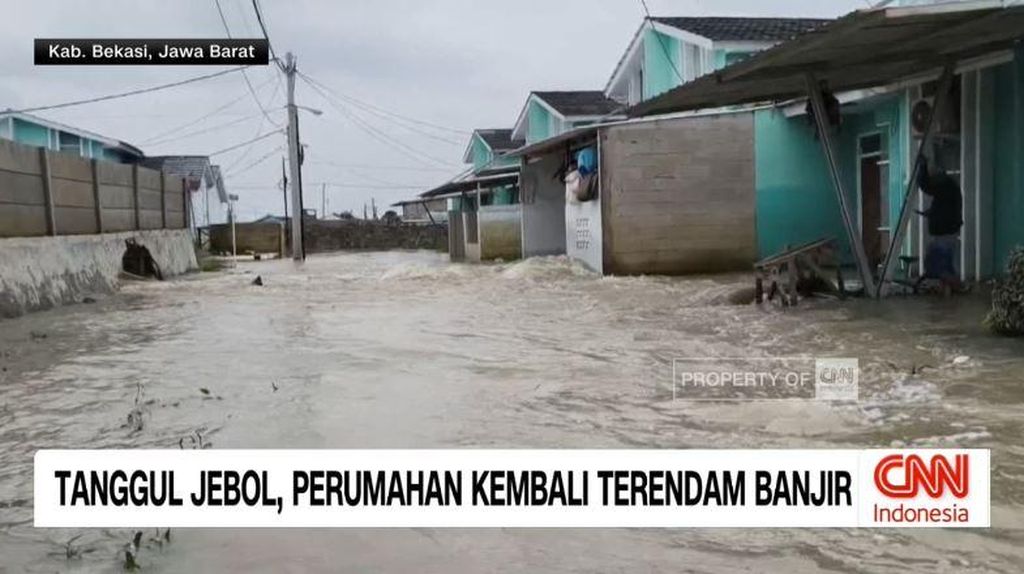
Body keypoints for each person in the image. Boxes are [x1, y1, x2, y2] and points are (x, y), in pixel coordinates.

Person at [916, 156, 964, 294]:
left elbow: (925, 185)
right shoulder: (949, 187)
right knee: (945, 266)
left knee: (937, 265)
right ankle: (950, 293)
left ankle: (958, 287)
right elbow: (945, 208)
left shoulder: (945, 185)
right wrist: (931, 213)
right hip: (948, 231)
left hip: (945, 233)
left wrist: (922, 166)